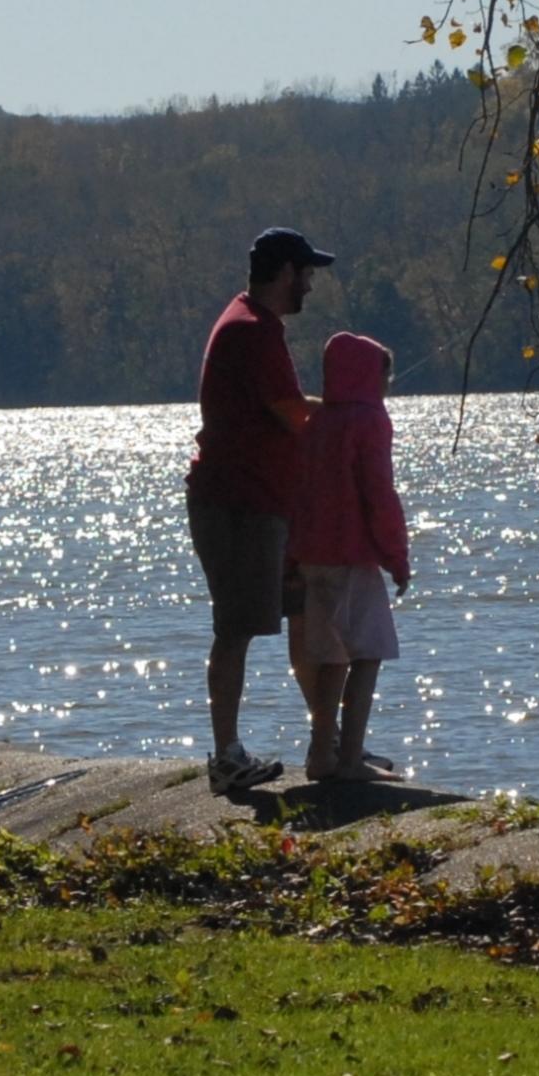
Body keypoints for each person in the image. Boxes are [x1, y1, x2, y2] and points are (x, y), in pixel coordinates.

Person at [183, 225, 333, 794]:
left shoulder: (255, 322)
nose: (311, 286)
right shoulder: (252, 331)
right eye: (306, 273)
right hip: (238, 506)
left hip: (267, 503)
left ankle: (329, 742)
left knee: (304, 618)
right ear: (284, 273)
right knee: (235, 629)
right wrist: (350, 412)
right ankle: (226, 757)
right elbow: (293, 415)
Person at [288, 329, 412, 782]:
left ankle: (321, 754)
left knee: (328, 658)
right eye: (384, 376)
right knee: (368, 653)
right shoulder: (370, 422)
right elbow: (379, 494)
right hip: (351, 557)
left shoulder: (317, 422)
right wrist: (397, 557)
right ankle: (351, 757)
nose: (387, 385)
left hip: (311, 557)